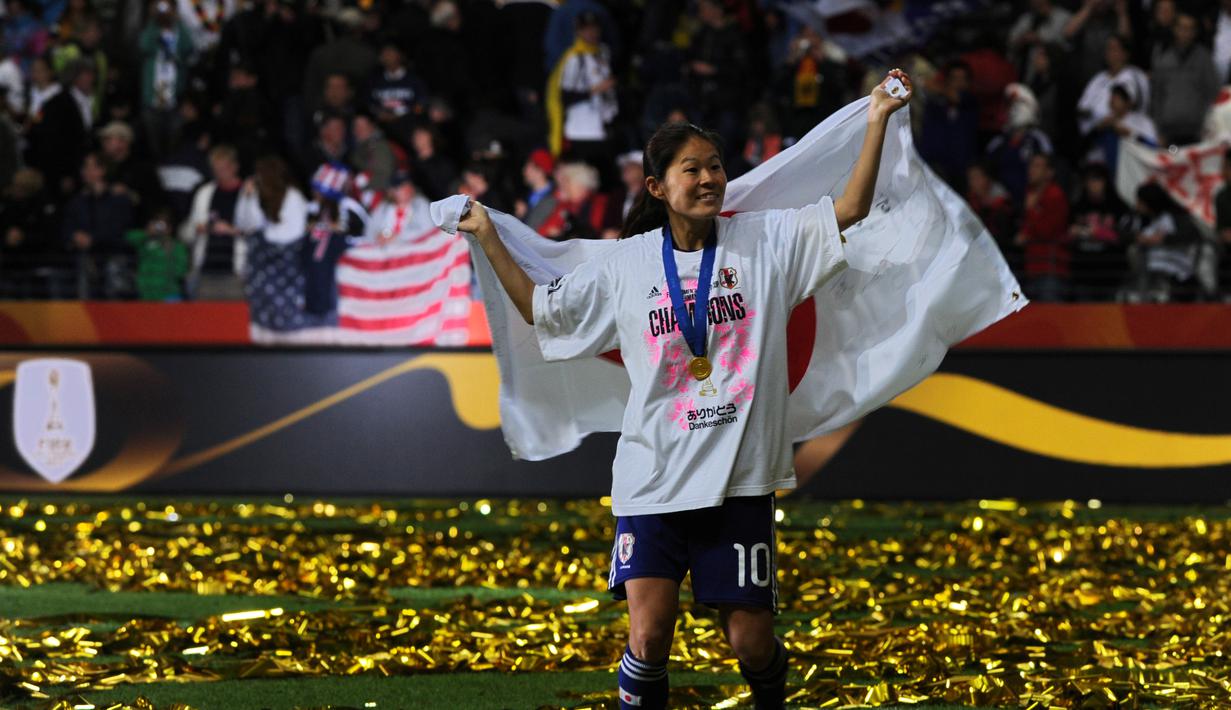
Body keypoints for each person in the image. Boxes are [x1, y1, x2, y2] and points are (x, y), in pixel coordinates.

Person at [456, 70, 913, 710]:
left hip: (739, 479)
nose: (707, 179)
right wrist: (487, 234)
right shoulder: (628, 264)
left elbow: (852, 209)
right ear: (657, 187)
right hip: (654, 476)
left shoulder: (766, 241)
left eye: (715, 167)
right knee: (650, 636)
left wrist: (875, 120)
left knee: (751, 642)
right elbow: (539, 309)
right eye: (691, 170)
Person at [1015, 152, 1071, 301]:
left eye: (1038, 166)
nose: (1031, 170)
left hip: (1050, 271)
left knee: (1050, 318)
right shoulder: (1031, 194)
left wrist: (1032, 210)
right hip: (1031, 269)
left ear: (1049, 172)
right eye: (1031, 165)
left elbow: (1046, 231)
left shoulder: (1055, 195)